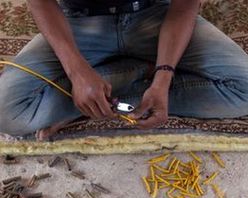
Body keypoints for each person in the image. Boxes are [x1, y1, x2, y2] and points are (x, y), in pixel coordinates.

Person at [0, 0, 247, 140]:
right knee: (6, 111)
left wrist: (163, 77)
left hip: (154, 15)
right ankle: (131, 73)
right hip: (79, 22)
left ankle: (93, 100)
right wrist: (76, 70)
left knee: (244, 89)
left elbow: (184, 4)